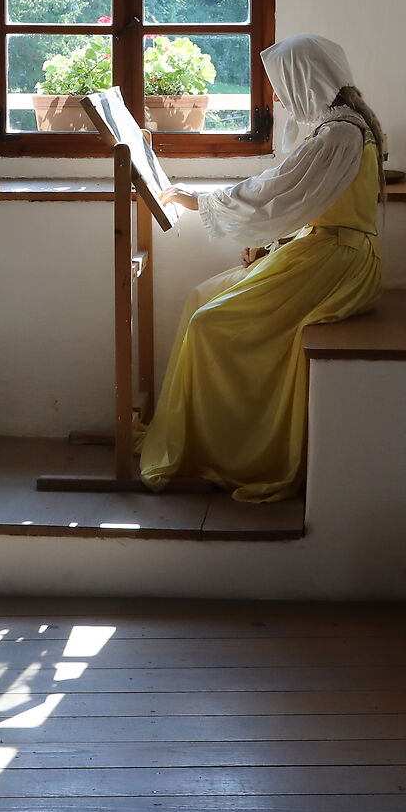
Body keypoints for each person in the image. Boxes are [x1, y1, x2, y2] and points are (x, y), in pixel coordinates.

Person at [140, 34, 386, 502]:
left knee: (210, 324)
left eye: (280, 83)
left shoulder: (339, 133)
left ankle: (235, 454)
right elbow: (300, 199)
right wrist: (270, 240)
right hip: (326, 250)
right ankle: (199, 441)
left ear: (305, 79)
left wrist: (202, 201)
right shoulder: (340, 126)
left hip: (338, 261)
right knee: (201, 298)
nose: (276, 94)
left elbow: (277, 191)